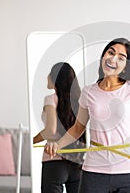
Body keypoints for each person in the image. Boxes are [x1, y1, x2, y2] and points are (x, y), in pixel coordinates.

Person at [45, 38, 130, 193]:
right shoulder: (88, 92)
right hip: (93, 173)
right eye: (110, 52)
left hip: (127, 175)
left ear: (126, 66)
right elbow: (78, 128)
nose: (112, 58)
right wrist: (58, 144)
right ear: (103, 56)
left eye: (121, 58)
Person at [33, 62, 85, 193]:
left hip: (53, 161)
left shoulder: (51, 99)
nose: (47, 76)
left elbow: (50, 130)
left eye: (50, 73)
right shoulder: (79, 100)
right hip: (77, 161)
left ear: (55, 77)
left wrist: (32, 140)